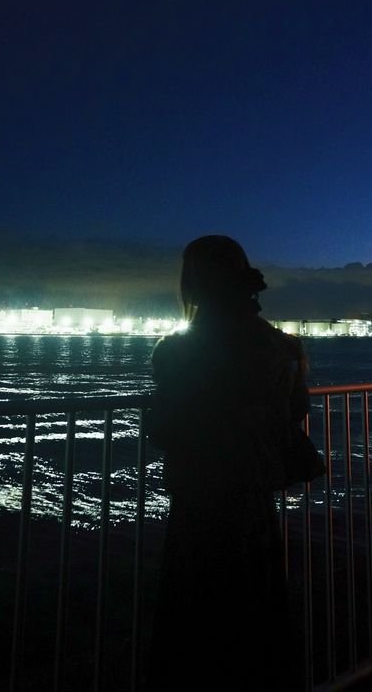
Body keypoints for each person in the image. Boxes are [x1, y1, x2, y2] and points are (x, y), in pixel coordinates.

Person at [146, 235, 312, 691]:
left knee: (196, 612)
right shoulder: (283, 347)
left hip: (202, 494)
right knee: (259, 605)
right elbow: (295, 411)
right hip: (255, 490)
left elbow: (166, 429)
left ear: (194, 283)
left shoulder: (177, 351)